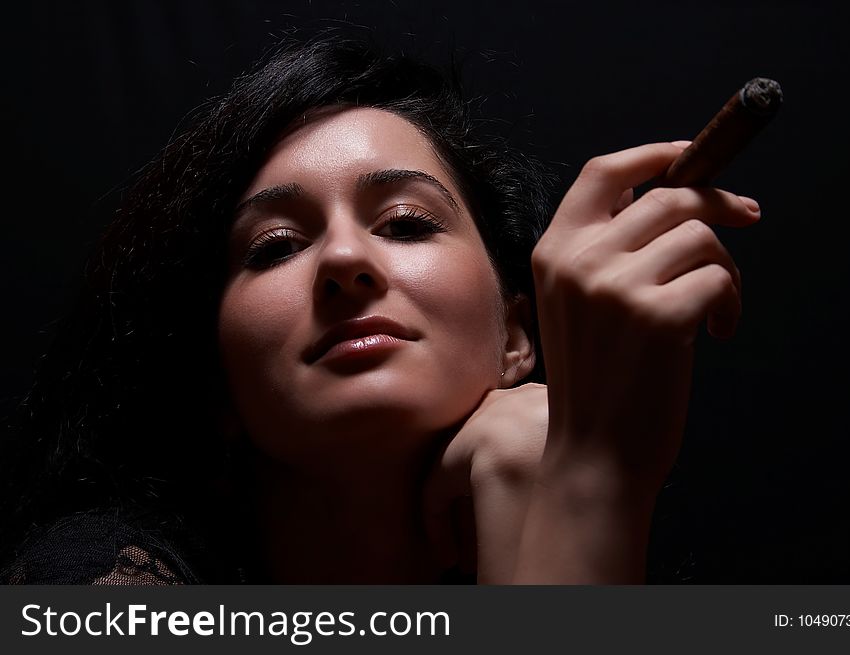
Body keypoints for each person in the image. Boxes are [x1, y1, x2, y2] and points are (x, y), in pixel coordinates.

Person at [0, 32, 759, 584]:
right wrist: (588, 476)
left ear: (518, 337)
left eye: (404, 223)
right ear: (216, 383)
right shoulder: (96, 583)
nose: (342, 260)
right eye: (273, 246)